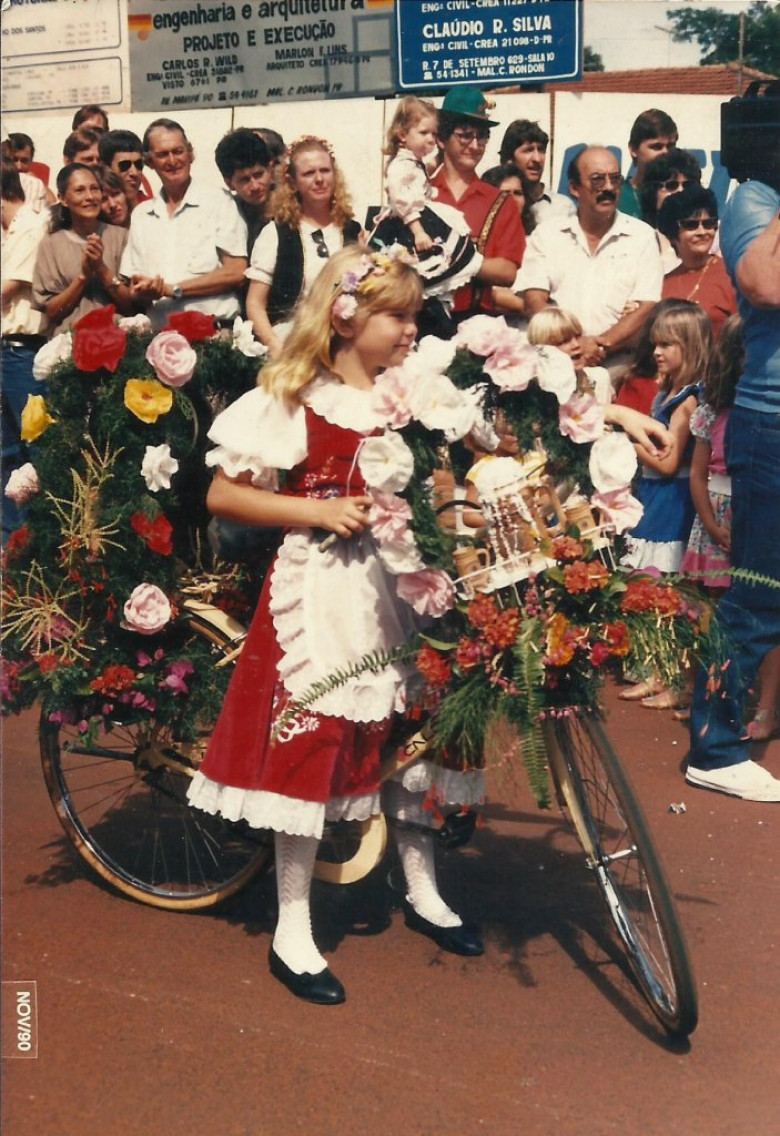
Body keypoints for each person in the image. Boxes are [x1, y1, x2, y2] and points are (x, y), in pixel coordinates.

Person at [187, 245, 485, 1004]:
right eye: (399, 315)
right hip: (328, 586)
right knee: (315, 740)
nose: (412, 329)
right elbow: (225, 495)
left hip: (406, 584)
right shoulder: (300, 395)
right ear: (347, 317)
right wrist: (315, 508)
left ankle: (423, 886)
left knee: (413, 732)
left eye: (417, 314)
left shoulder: (411, 391)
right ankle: (293, 923)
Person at [686, 88, 780, 800]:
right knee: (756, 596)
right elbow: (764, 282)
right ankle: (713, 750)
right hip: (771, 425)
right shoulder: (754, 197)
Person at [621, 301, 711, 710]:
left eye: (667, 344)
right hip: (653, 495)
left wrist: (625, 440)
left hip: (671, 498)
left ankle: (676, 677)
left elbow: (670, 459)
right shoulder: (667, 389)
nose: (656, 352)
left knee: (668, 591)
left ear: (690, 346)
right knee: (649, 586)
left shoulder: (689, 399)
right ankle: (656, 671)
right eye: (655, 343)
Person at [519, 145, 663, 383]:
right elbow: (534, 301)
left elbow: (647, 306)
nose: (608, 187)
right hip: (554, 364)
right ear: (575, 187)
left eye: (614, 179)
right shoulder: (547, 235)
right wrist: (570, 346)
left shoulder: (642, 237)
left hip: (620, 369)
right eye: (597, 180)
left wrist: (601, 345)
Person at [120, 118, 248, 330]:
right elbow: (134, 286)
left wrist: (173, 289)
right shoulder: (142, 216)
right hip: (160, 338)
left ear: (191, 154)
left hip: (213, 335)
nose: (172, 160)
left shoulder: (218, 201)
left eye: (178, 151)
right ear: (149, 162)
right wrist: (141, 292)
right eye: (162, 154)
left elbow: (236, 272)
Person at [245, 135, 360, 357]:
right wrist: (273, 344)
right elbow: (255, 303)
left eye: (325, 171)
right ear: (293, 182)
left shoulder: (352, 231)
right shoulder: (277, 233)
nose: (319, 179)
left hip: (345, 346)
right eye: (308, 173)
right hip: (292, 343)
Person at [369, 96, 481, 307]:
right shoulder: (401, 165)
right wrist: (418, 230)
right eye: (423, 133)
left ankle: (438, 302)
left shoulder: (413, 162)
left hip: (419, 215)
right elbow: (402, 199)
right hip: (408, 223)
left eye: (434, 134)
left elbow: (421, 182)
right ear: (402, 135)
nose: (430, 139)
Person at [429, 86, 526, 323]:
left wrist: (454, 260)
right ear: (442, 138)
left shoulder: (500, 201)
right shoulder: (420, 195)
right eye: (465, 135)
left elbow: (507, 271)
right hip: (420, 322)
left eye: (482, 136)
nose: (474, 145)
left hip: (478, 324)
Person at [1, 157, 49, 540]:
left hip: (22, 351)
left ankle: (37, 540)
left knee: (34, 448)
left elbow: (9, 288)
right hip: (5, 352)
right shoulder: (7, 231)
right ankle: (9, 539)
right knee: (4, 451)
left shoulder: (32, 227)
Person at [32, 163, 132, 334]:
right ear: (63, 199)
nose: (90, 197)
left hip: (120, 340)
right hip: (69, 347)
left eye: (94, 189)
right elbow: (52, 313)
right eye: (79, 191)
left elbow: (133, 306)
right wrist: (83, 277)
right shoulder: (50, 245)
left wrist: (102, 270)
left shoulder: (122, 237)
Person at [658, 185, 737, 338]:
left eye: (709, 224)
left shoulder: (730, 275)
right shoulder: (664, 284)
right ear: (673, 232)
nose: (702, 232)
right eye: (691, 225)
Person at [526, 306, 611, 404]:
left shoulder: (600, 377)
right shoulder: (534, 388)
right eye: (564, 341)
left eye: (578, 336)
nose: (576, 345)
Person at [498, 118, 574, 226]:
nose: (537, 159)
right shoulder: (496, 202)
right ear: (509, 159)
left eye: (541, 150)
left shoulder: (562, 208)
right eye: (528, 150)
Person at [214, 128, 273, 258]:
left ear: (270, 169)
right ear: (229, 183)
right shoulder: (228, 214)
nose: (255, 186)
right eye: (244, 180)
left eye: (258, 175)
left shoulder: (292, 205)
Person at [618, 108, 678, 218]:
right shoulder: (618, 197)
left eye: (670, 146)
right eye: (656, 147)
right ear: (634, 150)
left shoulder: (682, 192)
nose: (665, 152)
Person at [97, 129, 149, 211]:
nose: (134, 173)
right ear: (106, 167)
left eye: (138, 165)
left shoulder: (152, 210)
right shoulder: (94, 211)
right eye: (125, 166)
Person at [2, 132, 55, 208]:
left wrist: (37, 181)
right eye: (14, 160)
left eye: (24, 161)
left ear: (31, 161)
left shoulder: (34, 182)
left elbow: (53, 203)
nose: (19, 167)